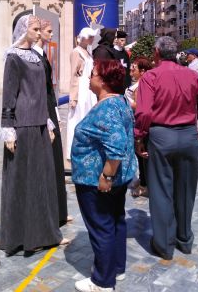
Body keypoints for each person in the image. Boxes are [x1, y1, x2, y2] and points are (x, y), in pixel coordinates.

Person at [135, 36, 198, 260]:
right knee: (185, 190)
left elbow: (143, 113)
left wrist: (140, 136)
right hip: (189, 135)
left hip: (161, 135)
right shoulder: (190, 74)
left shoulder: (151, 76)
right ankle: (184, 239)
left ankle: (164, 244)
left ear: (156, 52)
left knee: (161, 191)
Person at [0, 15, 68, 254]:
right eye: (35, 29)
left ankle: (46, 234)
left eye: (40, 30)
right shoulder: (14, 57)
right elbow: (9, 94)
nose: (39, 33)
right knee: (23, 183)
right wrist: (8, 129)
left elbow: (42, 93)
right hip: (22, 127)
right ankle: (21, 237)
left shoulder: (37, 58)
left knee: (43, 183)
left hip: (39, 125)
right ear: (24, 30)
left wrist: (48, 122)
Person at [72, 59, 137, 292]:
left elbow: (117, 145)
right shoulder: (120, 101)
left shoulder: (107, 108)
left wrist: (106, 176)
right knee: (115, 221)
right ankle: (115, 268)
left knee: (101, 227)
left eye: (92, 74)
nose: (89, 78)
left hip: (97, 180)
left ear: (103, 81)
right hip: (120, 177)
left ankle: (102, 281)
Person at [33, 17, 72, 226]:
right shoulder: (33, 56)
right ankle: (54, 214)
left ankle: (60, 212)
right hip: (43, 109)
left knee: (56, 158)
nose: (51, 34)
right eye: (47, 31)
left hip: (50, 106)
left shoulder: (44, 56)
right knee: (50, 158)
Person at [66, 27, 99, 161]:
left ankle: (87, 148)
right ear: (84, 37)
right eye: (90, 37)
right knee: (77, 118)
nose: (92, 39)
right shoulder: (76, 52)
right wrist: (73, 97)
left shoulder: (88, 52)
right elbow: (74, 75)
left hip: (89, 89)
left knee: (88, 117)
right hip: (81, 89)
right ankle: (74, 150)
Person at [124, 57, 153, 198]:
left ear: (142, 71)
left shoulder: (141, 85)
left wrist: (125, 101)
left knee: (141, 155)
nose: (131, 71)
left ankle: (144, 185)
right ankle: (143, 181)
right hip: (135, 122)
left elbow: (139, 105)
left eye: (133, 69)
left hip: (139, 122)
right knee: (139, 155)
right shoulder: (138, 83)